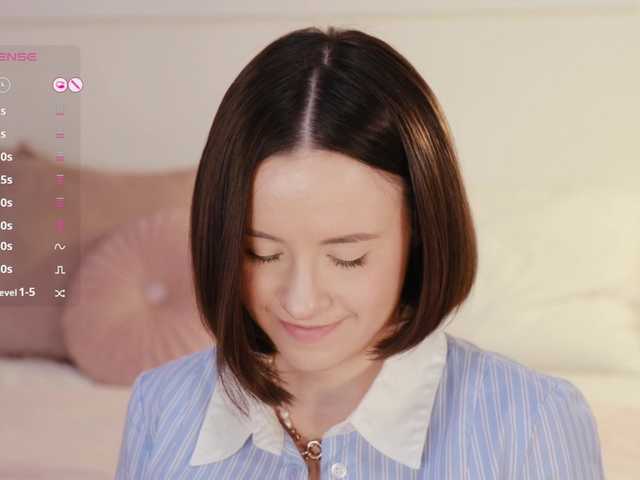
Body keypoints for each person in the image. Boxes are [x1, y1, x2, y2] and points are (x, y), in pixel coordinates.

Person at [115, 26, 605, 479]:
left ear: (420, 231)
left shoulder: (532, 424)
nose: (301, 301)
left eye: (347, 257)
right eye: (261, 253)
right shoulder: (161, 404)